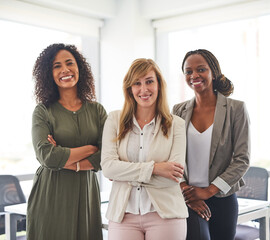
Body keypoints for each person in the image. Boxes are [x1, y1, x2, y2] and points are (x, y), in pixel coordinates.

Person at [101, 58, 188, 240]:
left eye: (149, 81)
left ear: (158, 85)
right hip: (123, 215)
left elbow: (174, 177)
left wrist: (123, 174)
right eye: (137, 83)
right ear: (130, 89)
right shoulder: (114, 120)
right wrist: (156, 169)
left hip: (166, 215)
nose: (144, 89)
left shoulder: (176, 125)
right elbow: (108, 168)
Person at [27, 43, 107, 240]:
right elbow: (47, 157)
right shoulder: (43, 111)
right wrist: (91, 148)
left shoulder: (97, 111)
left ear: (79, 67)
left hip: (86, 197)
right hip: (50, 194)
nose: (65, 69)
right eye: (56, 66)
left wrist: (67, 159)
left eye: (69, 63)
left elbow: (107, 155)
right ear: (48, 73)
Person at [172, 49, 250, 240]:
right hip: (188, 198)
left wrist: (209, 191)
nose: (194, 76)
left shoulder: (236, 109)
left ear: (213, 72)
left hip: (222, 198)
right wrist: (185, 189)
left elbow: (242, 159)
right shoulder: (178, 111)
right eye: (188, 71)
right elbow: (171, 155)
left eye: (201, 69)